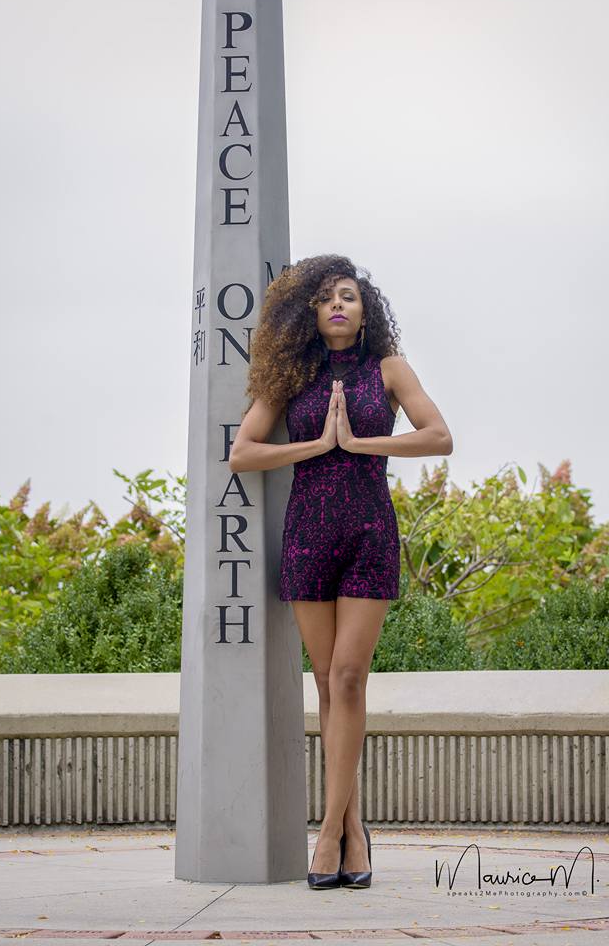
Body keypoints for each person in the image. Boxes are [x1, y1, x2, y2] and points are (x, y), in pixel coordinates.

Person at [229, 254, 453, 889]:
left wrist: (360, 445)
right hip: (308, 534)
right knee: (325, 685)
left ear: (365, 310)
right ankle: (354, 830)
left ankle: (327, 835)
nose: (337, 306)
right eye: (326, 297)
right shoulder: (291, 376)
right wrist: (316, 446)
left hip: (368, 532)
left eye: (348, 297)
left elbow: (439, 436)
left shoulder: (389, 369)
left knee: (350, 677)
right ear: (311, 311)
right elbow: (242, 454)